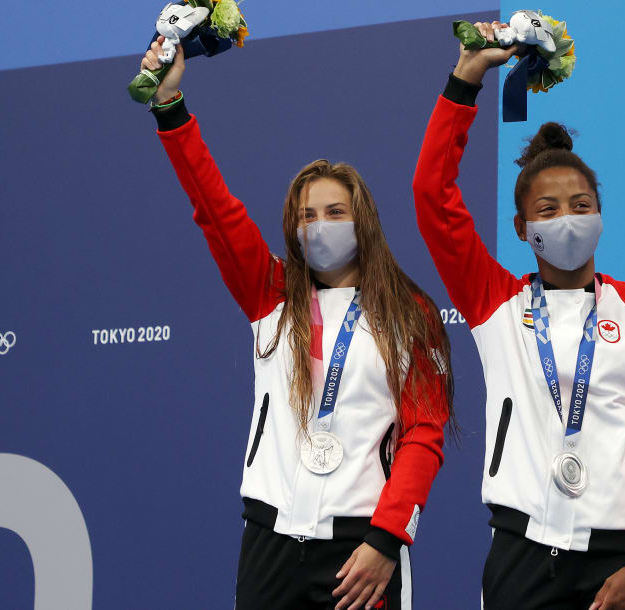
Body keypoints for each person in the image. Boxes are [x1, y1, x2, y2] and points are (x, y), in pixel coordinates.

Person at [140, 37, 454, 610]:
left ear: (363, 221)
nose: (320, 225)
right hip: (270, 547)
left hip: (361, 549)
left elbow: (424, 435)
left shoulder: (410, 314)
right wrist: (170, 106)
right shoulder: (270, 296)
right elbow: (214, 206)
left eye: (335, 212)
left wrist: (387, 539)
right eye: (307, 215)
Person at [412, 21, 625, 610]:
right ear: (523, 229)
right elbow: (431, 193)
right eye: (548, 209)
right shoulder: (494, 303)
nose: (567, 219)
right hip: (522, 557)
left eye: (581, 206)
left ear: (601, 216)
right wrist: (466, 78)